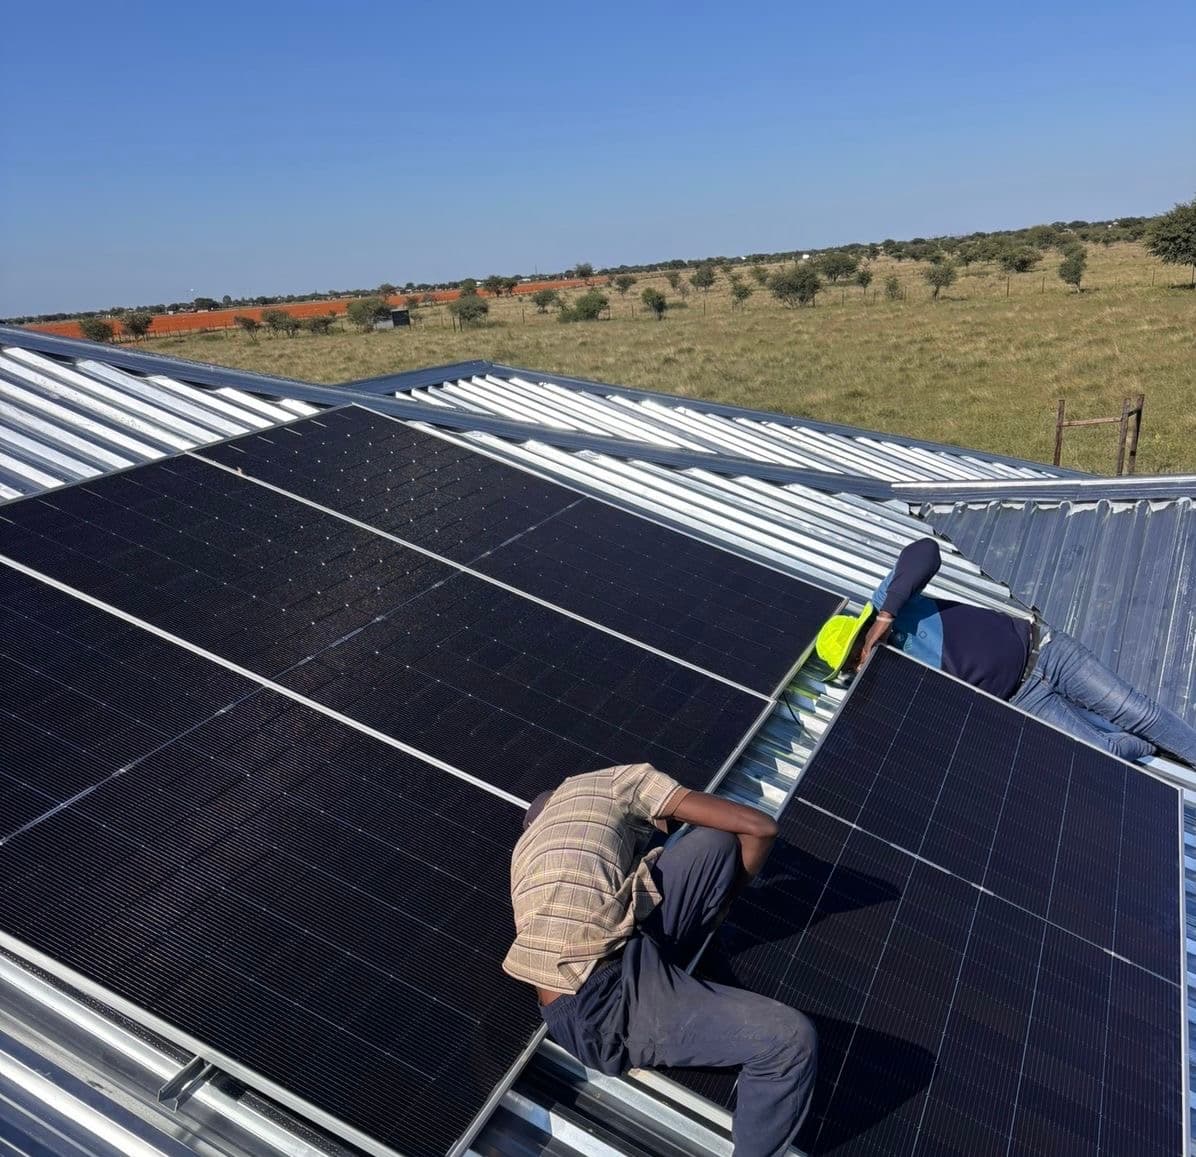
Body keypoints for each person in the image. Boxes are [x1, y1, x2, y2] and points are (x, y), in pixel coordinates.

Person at [505, 763, 817, 1157]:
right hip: (604, 1007)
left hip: (593, 975)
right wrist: (724, 903)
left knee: (714, 846)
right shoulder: (617, 781)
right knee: (789, 1041)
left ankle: (675, 973)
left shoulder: (526, 855)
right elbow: (760, 827)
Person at [815, 537, 1196, 766]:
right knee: (1103, 755)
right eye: (853, 665)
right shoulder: (896, 680)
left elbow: (925, 552)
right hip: (1024, 701)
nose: (861, 661)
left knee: (1138, 711)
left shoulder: (891, 604)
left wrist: (885, 615)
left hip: (1045, 651)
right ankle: (1162, 749)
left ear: (861, 631)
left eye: (855, 651)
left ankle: (1173, 745)